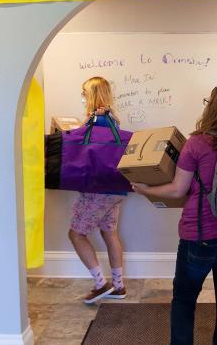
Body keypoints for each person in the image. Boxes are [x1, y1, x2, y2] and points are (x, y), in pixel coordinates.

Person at [131, 85, 217, 345]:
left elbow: (178, 189)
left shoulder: (198, 143)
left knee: (185, 299)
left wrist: (146, 190)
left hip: (202, 235)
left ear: (211, 108)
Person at [68, 76, 128, 304]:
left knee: (76, 234)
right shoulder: (112, 119)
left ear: (92, 94)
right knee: (109, 233)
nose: (83, 97)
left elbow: (83, 149)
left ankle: (100, 284)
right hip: (115, 187)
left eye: (84, 93)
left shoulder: (97, 119)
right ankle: (119, 286)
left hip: (97, 188)